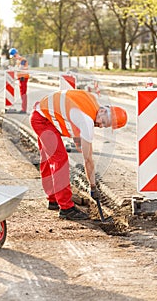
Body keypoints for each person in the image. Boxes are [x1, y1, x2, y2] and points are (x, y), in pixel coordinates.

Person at [30, 89, 127, 222]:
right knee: (60, 160)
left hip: (42, 113)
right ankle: (66, 208)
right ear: (104, 111)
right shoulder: (87, 120)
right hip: (42, 120)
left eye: (105, 126)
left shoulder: (92, 101)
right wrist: (92, 186)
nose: (100, 126)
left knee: (49, 159)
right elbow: (88, 160)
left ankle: (53, 199)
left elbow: (72, 120)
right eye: (103, 122)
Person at [9, 48, 29, 114]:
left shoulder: (23, 60)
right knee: (22, 93)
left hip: (24, 77)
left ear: (16, 54)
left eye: (14, 56)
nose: (14, 58)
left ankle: (24, 109)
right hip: (21, 78)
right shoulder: (18, 61)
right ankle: (23, 108)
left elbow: (21, 68)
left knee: (23, 93)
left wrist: (14, 68)